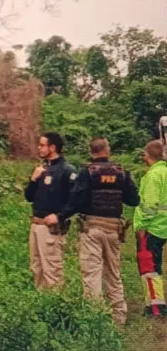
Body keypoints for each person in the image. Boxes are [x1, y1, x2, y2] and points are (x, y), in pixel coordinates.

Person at [58, 137, 139, 326]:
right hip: (113, 230)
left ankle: (95, 320)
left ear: (90, 151)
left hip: (91, 228)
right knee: (113, 273)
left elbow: (75, 201)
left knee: (92, 274)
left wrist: (61, 216)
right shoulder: (121, 172)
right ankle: (119, 317)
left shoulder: (87, 173)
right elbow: (134, 200)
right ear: (107, 150)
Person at [25, 132, 76, 289]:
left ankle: (56, 306)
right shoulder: (42, 169)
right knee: (36, 268)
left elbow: (75, 200)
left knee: (52, 271)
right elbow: (28, 197)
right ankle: (41, 307)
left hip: (51, 228)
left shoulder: (67, 170)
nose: (39, 148)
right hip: (36, 224)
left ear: (52, 147)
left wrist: (60, 216)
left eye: (42, 145)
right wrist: (33, 179)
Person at [136, 140, 167, 317]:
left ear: (147, 155)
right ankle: (157, 303)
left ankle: (155, 307)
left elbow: (149, 204)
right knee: (155, 264)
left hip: (152, 228)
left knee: (149, 267)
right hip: (163, 226)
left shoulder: (153, 175)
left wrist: (142, 225)